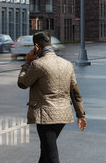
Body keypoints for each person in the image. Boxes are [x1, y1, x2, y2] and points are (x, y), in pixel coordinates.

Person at [18, 31, 87, 162]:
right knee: (45, 152)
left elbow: (22, 83)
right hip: (63, 115)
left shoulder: (38, 65)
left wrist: (27, 63)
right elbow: (75, 92)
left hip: (45, 116)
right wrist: (80, 115)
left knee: (51, 155)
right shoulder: (67, 64)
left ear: (36, 46)